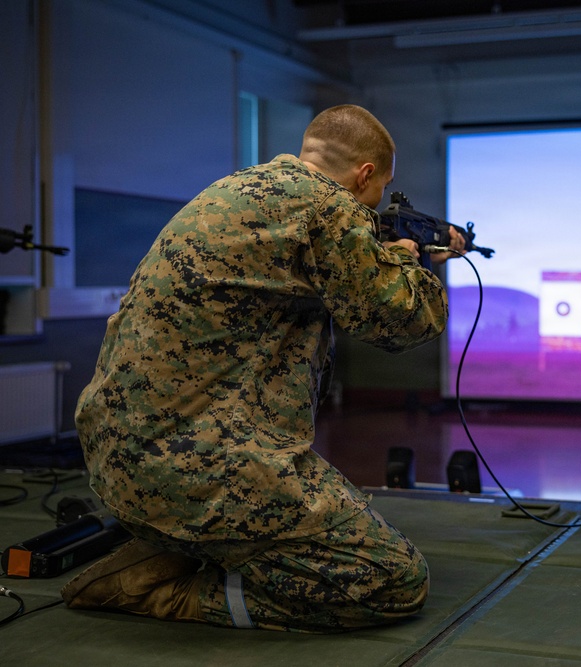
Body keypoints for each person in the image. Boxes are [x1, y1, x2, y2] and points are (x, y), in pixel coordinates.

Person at [61, 104, 463, 631]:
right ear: (364, 175)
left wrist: (382, 254)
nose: (375, 204)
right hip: (199, 468)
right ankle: (165, 590)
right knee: (392, 580)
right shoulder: (329, 208)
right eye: (380, 191)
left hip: (122, 458)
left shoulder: (241, 189)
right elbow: (406, 321)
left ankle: (180, 544)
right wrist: (409, 261)